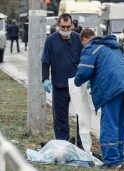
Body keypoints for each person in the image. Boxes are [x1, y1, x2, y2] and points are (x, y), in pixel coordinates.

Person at [74, 28, 124, 168]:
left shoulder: (92, 47)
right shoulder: (111, 47)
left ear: (84, 40)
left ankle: (111, 161)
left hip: (111, 89)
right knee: (120, 123)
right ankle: (119, 157)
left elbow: (83, 71)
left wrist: (76, 81)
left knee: (109, 124)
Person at [41, 13, 83, 145]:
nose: (65, 30)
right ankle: (63, 143)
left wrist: (87, 79)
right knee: (60, 118)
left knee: (81, 116)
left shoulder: (77, 39)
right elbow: (45, 61)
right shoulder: (51, 40)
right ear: (58, 25)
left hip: (77, 84)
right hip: (59, 84)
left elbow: (85, 60)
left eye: (68, 27)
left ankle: (82, 143)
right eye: (63, 27)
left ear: (72, 25)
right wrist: (45, 79)